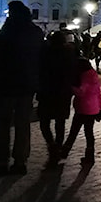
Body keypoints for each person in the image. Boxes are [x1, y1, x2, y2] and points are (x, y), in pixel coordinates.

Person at [0, 0, 44, 176]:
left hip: (6, 85)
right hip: (27, 85)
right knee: (22, 124)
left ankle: (1, 161)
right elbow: (40, 59)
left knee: (3, 124)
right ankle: (20, 161)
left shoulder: (6, 32)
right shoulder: (35, 32)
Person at [36, 30, 76, 169]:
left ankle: (52, 146)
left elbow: (40, 71)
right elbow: (73, 73)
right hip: (63, 93)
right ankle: (57, 148)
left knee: (44, 122)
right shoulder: (69, 54)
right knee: (60, 123)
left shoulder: (45, 53)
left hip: (47, 91)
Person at [60, 57, 101, 165]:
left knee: (73, 132)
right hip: (93, 109)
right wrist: (99, 109)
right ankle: (90, 156)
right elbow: (98, 93)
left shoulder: (85, 76)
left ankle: (64, 152)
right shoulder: (94, 75)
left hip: (83, 109)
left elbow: (81, 92)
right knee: (89, 133)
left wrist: (71, 88)